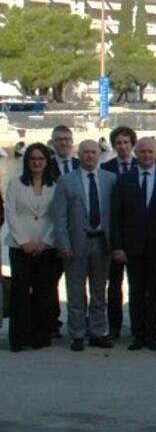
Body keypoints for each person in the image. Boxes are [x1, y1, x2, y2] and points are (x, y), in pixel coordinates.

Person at [109, 137, 156, 351]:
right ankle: (138, 334)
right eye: (143, 152)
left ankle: (154, 333)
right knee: (136, 291)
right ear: (136, 154)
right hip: (133, 246)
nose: (147, 155)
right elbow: (116, 216)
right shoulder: (124, 180)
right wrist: (118, 246)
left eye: (151, 152)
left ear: (155, 154)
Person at [51, 140, 117, 351]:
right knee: (76, 290)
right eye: (86, 153)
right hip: (76, 243)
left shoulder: (110, 179)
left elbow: (116, 215)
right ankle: (77, 334)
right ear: (79, 155)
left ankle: (98, 332)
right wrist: (63, 244)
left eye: (93, 153)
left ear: (99, 155)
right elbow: (59, 216)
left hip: (102, 243)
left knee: (99, 291)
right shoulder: (66, 181)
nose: (90, 156)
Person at [5, 143, 59, 351]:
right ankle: (19, 338)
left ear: (47, 162)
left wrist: (45, 241)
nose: (36, 162)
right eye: (33, 159)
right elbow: (11, 213)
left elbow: (57, 216)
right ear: (27, 162)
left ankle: (40, 336)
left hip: (46, 246)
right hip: (20, 246)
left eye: (41, 159)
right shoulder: (14, 184)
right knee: (20, 292)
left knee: (43, 292)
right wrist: (23, 242)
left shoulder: (55, 185)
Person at [100, 125, 136, 340]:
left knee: (138, 284)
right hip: (114, 234)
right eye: (119, 143)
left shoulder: (142, 165)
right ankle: (114, 325)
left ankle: (138, 324)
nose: (123, 147)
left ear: (132, 144)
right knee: (114, 284)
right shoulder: (106, 169)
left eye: (126, 143)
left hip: (136, 234)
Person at [47, 125, 77, 339]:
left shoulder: (80, 164)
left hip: (78, 234)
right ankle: (52, 321)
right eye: (59, 140)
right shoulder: (43, 166)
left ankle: (79, 321)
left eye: (67, 139)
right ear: (53, 143)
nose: (63, 143)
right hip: (51, 233)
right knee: (51, 282)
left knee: (78, 282)